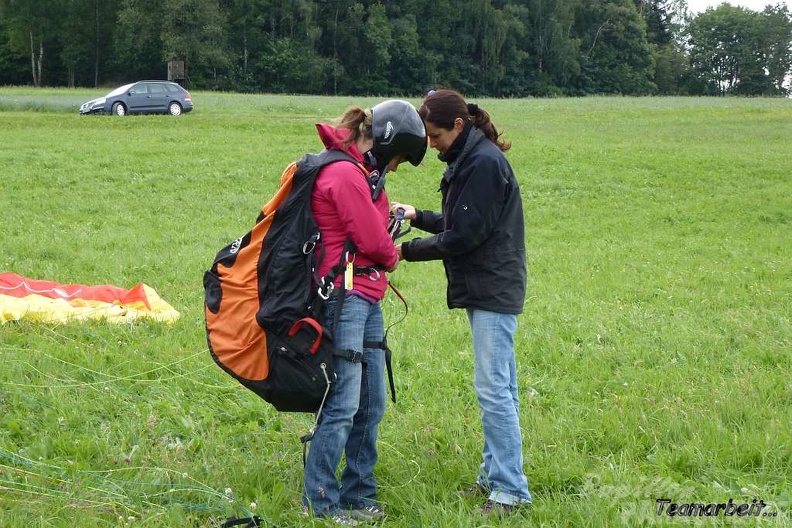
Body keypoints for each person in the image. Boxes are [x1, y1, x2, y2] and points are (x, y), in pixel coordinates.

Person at [391, 89, 531, 517]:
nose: (430, 144)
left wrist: (403, 251)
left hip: (493, 287)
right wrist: (417, 214)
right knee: (500, 388)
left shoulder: (484, 164)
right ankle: (494, 478)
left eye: (434, 136)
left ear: (459, 125)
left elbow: (464, 237)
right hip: (489, 286)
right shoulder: (470, 159)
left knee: (494, 391)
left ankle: (510, 491)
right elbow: (460, 221)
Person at [303, 100, 427, 525]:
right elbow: (376, 244)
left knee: (371, 402)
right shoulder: (343, 175)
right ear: (387, 142)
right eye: (395, 161)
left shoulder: (361, 176)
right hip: (345, 296)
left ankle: (359, 494)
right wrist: (391, 249)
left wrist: (385, 241)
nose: (392, 170)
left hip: (366, 295)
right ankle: (321, 504)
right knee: (343, 403)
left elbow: (374, 236)